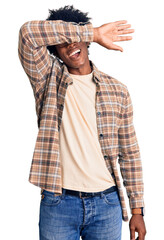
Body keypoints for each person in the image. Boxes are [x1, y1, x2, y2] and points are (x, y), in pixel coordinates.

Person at [18, 5, 146, 240]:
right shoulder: (46, 78)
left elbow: (129, 152)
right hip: (59, 203)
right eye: (63, 41)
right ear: (55, 50)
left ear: (85, 44)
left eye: (77, 37)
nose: (71, 45)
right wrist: (94, 33)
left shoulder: (117, 90)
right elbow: (28, 33)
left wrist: (137, 210)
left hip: (107, 204)